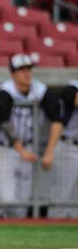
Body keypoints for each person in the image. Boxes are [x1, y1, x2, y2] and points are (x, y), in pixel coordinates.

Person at [0, 54, 58, 218]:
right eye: (21, 70)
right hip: (6, 149)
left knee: (23, 201)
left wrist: (49, 152)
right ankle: (1, 221)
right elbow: (5, 123)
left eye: (28, 69)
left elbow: (57, 118)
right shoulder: (5, 90)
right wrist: (22, 151)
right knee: (7, 199)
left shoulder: (40, 89)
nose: (26, 73)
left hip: (29, 147)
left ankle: (15, 231)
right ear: (12, 73)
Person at [41, 81, 77, 218]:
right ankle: (55, 226)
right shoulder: (73, 86)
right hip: (69, 146)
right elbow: (73, 97)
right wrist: (49, 152)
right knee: (60, 197)